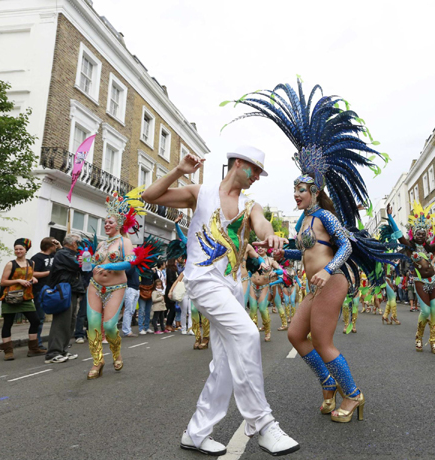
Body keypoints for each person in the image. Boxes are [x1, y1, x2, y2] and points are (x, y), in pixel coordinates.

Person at [236, 80, 400, 427]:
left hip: (332, 280)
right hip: (315, 284)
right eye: (294, 189)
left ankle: (353, 394)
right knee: (296, 336)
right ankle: (328, 384)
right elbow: (304, 254)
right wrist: (282, 252)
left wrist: (329, 271)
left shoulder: (325, 216)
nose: (295, 194)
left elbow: (347, 245)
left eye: (301, 190)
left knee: (323, 342)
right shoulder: (303, 222)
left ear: (314, 191)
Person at [142, 145, 299, 456]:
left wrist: (271, 235)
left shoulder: (249, 204)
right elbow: (150, 195)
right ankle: (262, 424)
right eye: (254, 170)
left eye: (259, 174)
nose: (256, 177)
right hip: (202, 280)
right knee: (247, 333)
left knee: (225, 364)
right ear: (238, 164)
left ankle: (196, 433)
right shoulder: (200, 192)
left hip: (229, 286)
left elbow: (262, 223)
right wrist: (178, 171)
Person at [85, 189, 160, 380]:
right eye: (105, 222)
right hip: (94, 287)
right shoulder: (101, 244)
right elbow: (89, 267)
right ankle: (97, 361)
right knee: (93, 326)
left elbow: (129, 263)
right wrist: (85, 261)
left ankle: (116, 354)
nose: (106, 224)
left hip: (116, 288)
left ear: (119, 223)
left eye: (110, 222)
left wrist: (108, 265)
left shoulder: (125, 242)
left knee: (109, 327)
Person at [386, 202, 435, 354]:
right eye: (418, 233)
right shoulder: (410, 247)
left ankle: (433, 341)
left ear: (426, 235)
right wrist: (390, 217)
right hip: (420, 282)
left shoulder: (430, 247)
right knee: (425, 311)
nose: (421, 235)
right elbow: (398, 235)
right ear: (414, 234)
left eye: (423, 233)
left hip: (434, 281)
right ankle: (419, 337)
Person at [0, 238, 43, 361]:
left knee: (35, 321)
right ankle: (8, 352)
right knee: (8, 324)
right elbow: (3, 282)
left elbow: (29, 275)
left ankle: (33, 349)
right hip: (11, 297)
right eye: (16, 249)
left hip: (26, 297)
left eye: (20, 249)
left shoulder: (31, 263)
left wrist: (32, 279)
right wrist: (18, 280)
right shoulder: (10, 264)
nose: (18, 251)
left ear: (25, 250)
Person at [44, 234, 85, 364]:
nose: (81, 246)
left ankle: (62, 350)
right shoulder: (63, 254)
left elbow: (84, 268)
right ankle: (53, 353)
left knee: (70, 322)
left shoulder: (67, 253)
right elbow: (77, 265)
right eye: (79, 243)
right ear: (73, 243)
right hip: (64, 291)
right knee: (61, 322)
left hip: (72, 290)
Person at [31, 237, 61, 349]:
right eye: (54, 245)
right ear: (50, 246)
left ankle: (57, 342)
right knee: (40, 317)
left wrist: (59, 246)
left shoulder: (55, 256)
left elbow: (64, 255)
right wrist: (48, 273)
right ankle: (37, 343)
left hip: (53, 289)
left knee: (58, 316)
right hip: (40, 290)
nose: (56, 247)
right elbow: (32, 273)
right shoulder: (37, 258)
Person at [121, 265, 140, 337]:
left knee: (132, 311)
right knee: (128, 310)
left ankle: (128, 329)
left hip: (136, 288)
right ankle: (126, 330)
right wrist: (134, 264)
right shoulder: (128, 266)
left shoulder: (135, 266)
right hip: (130, 288)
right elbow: (128, 273)